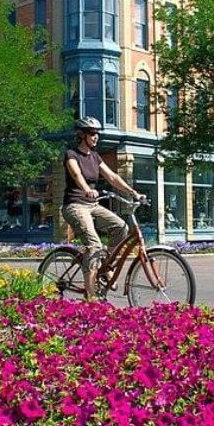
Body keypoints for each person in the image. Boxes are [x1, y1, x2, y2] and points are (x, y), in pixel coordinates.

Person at [62, 116, 144, 301]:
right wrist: (86, 190)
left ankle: (106, 266)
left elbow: (113, 177)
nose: (96, 136)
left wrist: (133, 193)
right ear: (82, 135)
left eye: (97, 133)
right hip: (75, 205)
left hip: (92, 205)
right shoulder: (71, 154)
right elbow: (76, 174)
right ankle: (91, 298)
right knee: (94, 245)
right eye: (92, 133)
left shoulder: (95, 156)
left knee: (121, 227)